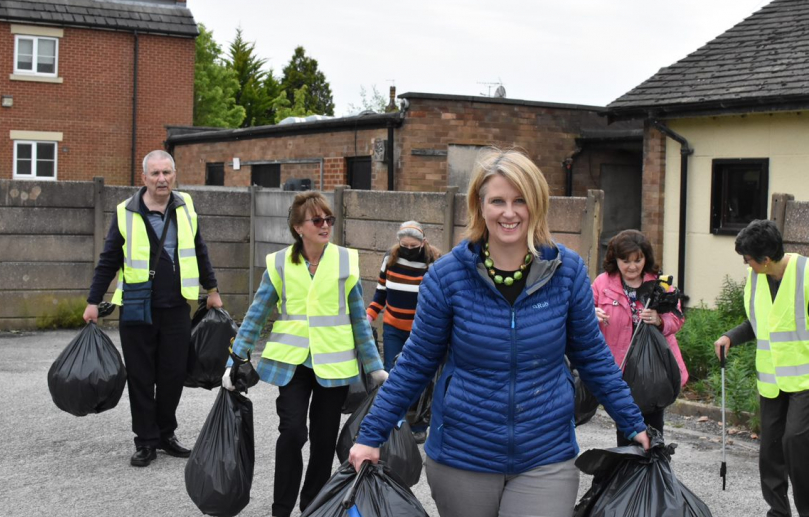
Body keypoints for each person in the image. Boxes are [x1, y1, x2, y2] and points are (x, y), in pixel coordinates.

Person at [349, 148, 648, 517]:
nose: (509, 212)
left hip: (546, 454)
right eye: (498, 201)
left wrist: (634, 424)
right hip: (462, 455)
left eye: (520, 200)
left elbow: (592, 356)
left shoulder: (566, 271)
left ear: (536, 204)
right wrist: (370, 435)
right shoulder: (447, 276)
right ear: (480, 205)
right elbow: (415, 363)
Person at [222, 191, 387, 517]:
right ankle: (281, 509)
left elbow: (358, 319)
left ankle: (312, 506)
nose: (325, 225)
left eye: (329, 219)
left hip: (334, 365)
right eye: (317, 220)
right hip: (292, 364)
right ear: (298, 227)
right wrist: (234, 361)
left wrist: (375, 367)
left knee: (324, 443)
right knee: (293, 432)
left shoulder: (344, 261)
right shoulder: (280, 263)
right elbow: (256, 315)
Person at [83, 150, 222, 467]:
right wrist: (93, 301)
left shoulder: (185, 206)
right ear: (144, 177)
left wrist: (212, 290)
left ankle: (165, 434)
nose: (162, 179)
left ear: (174, 174)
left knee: (173, 375)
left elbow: (200, 250)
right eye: (155, 173)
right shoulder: (125, 212)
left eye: (167, 173)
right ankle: (145, 441)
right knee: (142, 377)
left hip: (176, 307)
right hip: (136, 306)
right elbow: (108, 260)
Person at [714, 220, 809, 517]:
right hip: (771, 381)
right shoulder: (756, 278)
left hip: (805, 380)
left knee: (795, 441)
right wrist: (731, 336)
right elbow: (759, 324)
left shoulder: (806, 274)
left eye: (748, 259)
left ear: (766, 260)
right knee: (770, 448)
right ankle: (778, 512)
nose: (746, 264)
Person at [592, 229, 688, 447]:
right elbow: (581, 309)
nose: (632, 266)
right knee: (626, 428)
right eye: (625, 260)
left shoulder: (660, 284)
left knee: (654, 430)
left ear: (646, 258)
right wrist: (592, 314)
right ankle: (628, 477)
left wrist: (659, 320)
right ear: (615, 259)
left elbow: (677, 318)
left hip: (655, 369)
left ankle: (652, 475)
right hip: (620, 369)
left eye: (638, 260)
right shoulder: (602, 283)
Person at [366, 221, 441, 372]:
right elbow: (381, 292)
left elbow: (438, 301)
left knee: (416, 374)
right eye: (404, 245)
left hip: (420, 331)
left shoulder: (434, 262)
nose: (408, 250)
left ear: (423, 242)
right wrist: (368, 316)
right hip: (393, 328)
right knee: (391, 372)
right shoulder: (390, 258)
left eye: (413, 246)